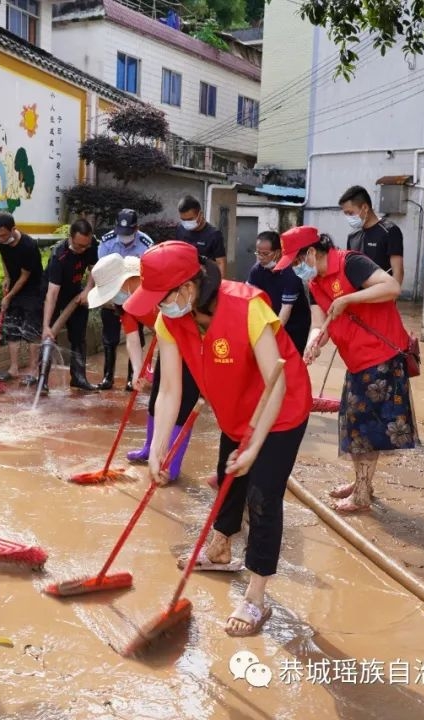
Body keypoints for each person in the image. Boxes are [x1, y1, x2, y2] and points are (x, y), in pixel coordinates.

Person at [124, 241, 312, 637]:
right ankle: (223, 547)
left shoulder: (248, 306)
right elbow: (170, 388)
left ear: (189, 289)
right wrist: (159, 447)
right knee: (228, 479)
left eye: (164, 298)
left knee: (262, 495)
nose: (160, 307)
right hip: (233, 410)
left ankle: (256, 596)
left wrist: (256, 445)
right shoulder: (169, 318)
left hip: (280, 410)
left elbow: (275, 387)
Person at [277, 226, 416, 513]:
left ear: (312, 253)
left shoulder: (351, 263)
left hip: (381, 357)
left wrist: (349, 299)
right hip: (356, 360)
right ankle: (361, 482)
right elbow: (320, 323)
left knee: (367, 428)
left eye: (296, 262)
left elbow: (391, 288)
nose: (295, 269)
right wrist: (314, 342)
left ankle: (363, 493)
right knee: (353, 425)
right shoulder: (314, 283)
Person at [86, 253, 197, 481]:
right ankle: (150, 449)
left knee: (182, 405)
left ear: (125, 281)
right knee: (158, 396)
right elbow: (132, 337)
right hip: (168, 344)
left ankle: (170, 463)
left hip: (190, 347)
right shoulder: (128, 305)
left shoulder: (162, 291)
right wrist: (137, 369)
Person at [96, 209, 153, 390]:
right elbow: (103, 274)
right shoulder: (106, 242)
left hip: (139, 297)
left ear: (136, 228)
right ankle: (108, 377)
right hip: (115, 296)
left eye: (128, 233)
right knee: (110, 337)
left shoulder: (147, 244)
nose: (124, 237)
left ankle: (131, 378)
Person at [40, 219, 99, 392]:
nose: (83, 249)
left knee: (79, 337)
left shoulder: (90, 244)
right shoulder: (59, 256)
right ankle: (42, 380)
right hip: (55, 294)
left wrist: (88, 289)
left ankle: (79, 377)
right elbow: (52, 294)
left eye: (86, 246)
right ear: (70, 237)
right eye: (79, 245)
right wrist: (45, 326)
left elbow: (93, 269)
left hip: (76, 294)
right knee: (49, 336)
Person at [0, 211, 44, 383]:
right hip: (15, 285)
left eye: (4, 235)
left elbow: (24, 276)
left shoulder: (28, 245)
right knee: (12, 328)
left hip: (33, 290)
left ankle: (33, 372)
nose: (0, 239)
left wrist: (9, 296)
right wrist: (6, 277)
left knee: (31, 332)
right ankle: (13, 369)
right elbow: (3, 256)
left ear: (13, 229)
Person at [246, 230, 311, 353]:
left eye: (265, 254)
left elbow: (285, 310)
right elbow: (247, 298)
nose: (260, 257)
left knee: (291, 360)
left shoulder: (290, 273)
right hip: (270, 319)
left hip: (294, 324)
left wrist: (271, 336)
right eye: (258, 253)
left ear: (277, 252)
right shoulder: (256, 271)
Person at [339, 185, 405, 287]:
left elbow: (398, 272)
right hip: (359, 298)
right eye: (346, 214)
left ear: (365, 207)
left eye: (350, 213)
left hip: (382, 296)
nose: (348, 217)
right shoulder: (352, 237)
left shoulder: (390, 231)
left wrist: (391, 297)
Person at [174, 195, 227, 276]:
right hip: (185, 277)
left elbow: (220, 263)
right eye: (183, 220)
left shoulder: (214, 234)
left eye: (190, 219)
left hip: (207, 279)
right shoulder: (180, 229)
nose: (186, 223)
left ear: (200, 214)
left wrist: (221, 284)